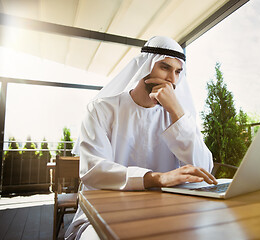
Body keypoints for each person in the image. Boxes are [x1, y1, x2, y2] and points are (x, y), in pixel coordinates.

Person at [64, 36, 216, 240]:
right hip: (105, 212)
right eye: (164, 67)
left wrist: (177, 112)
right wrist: (156, 178)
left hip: (166, 211)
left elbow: (203, 168)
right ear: (145, 66)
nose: (172, 79)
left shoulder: (177, 115)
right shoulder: (101, 109)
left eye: (178, 72)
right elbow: (93, 169)